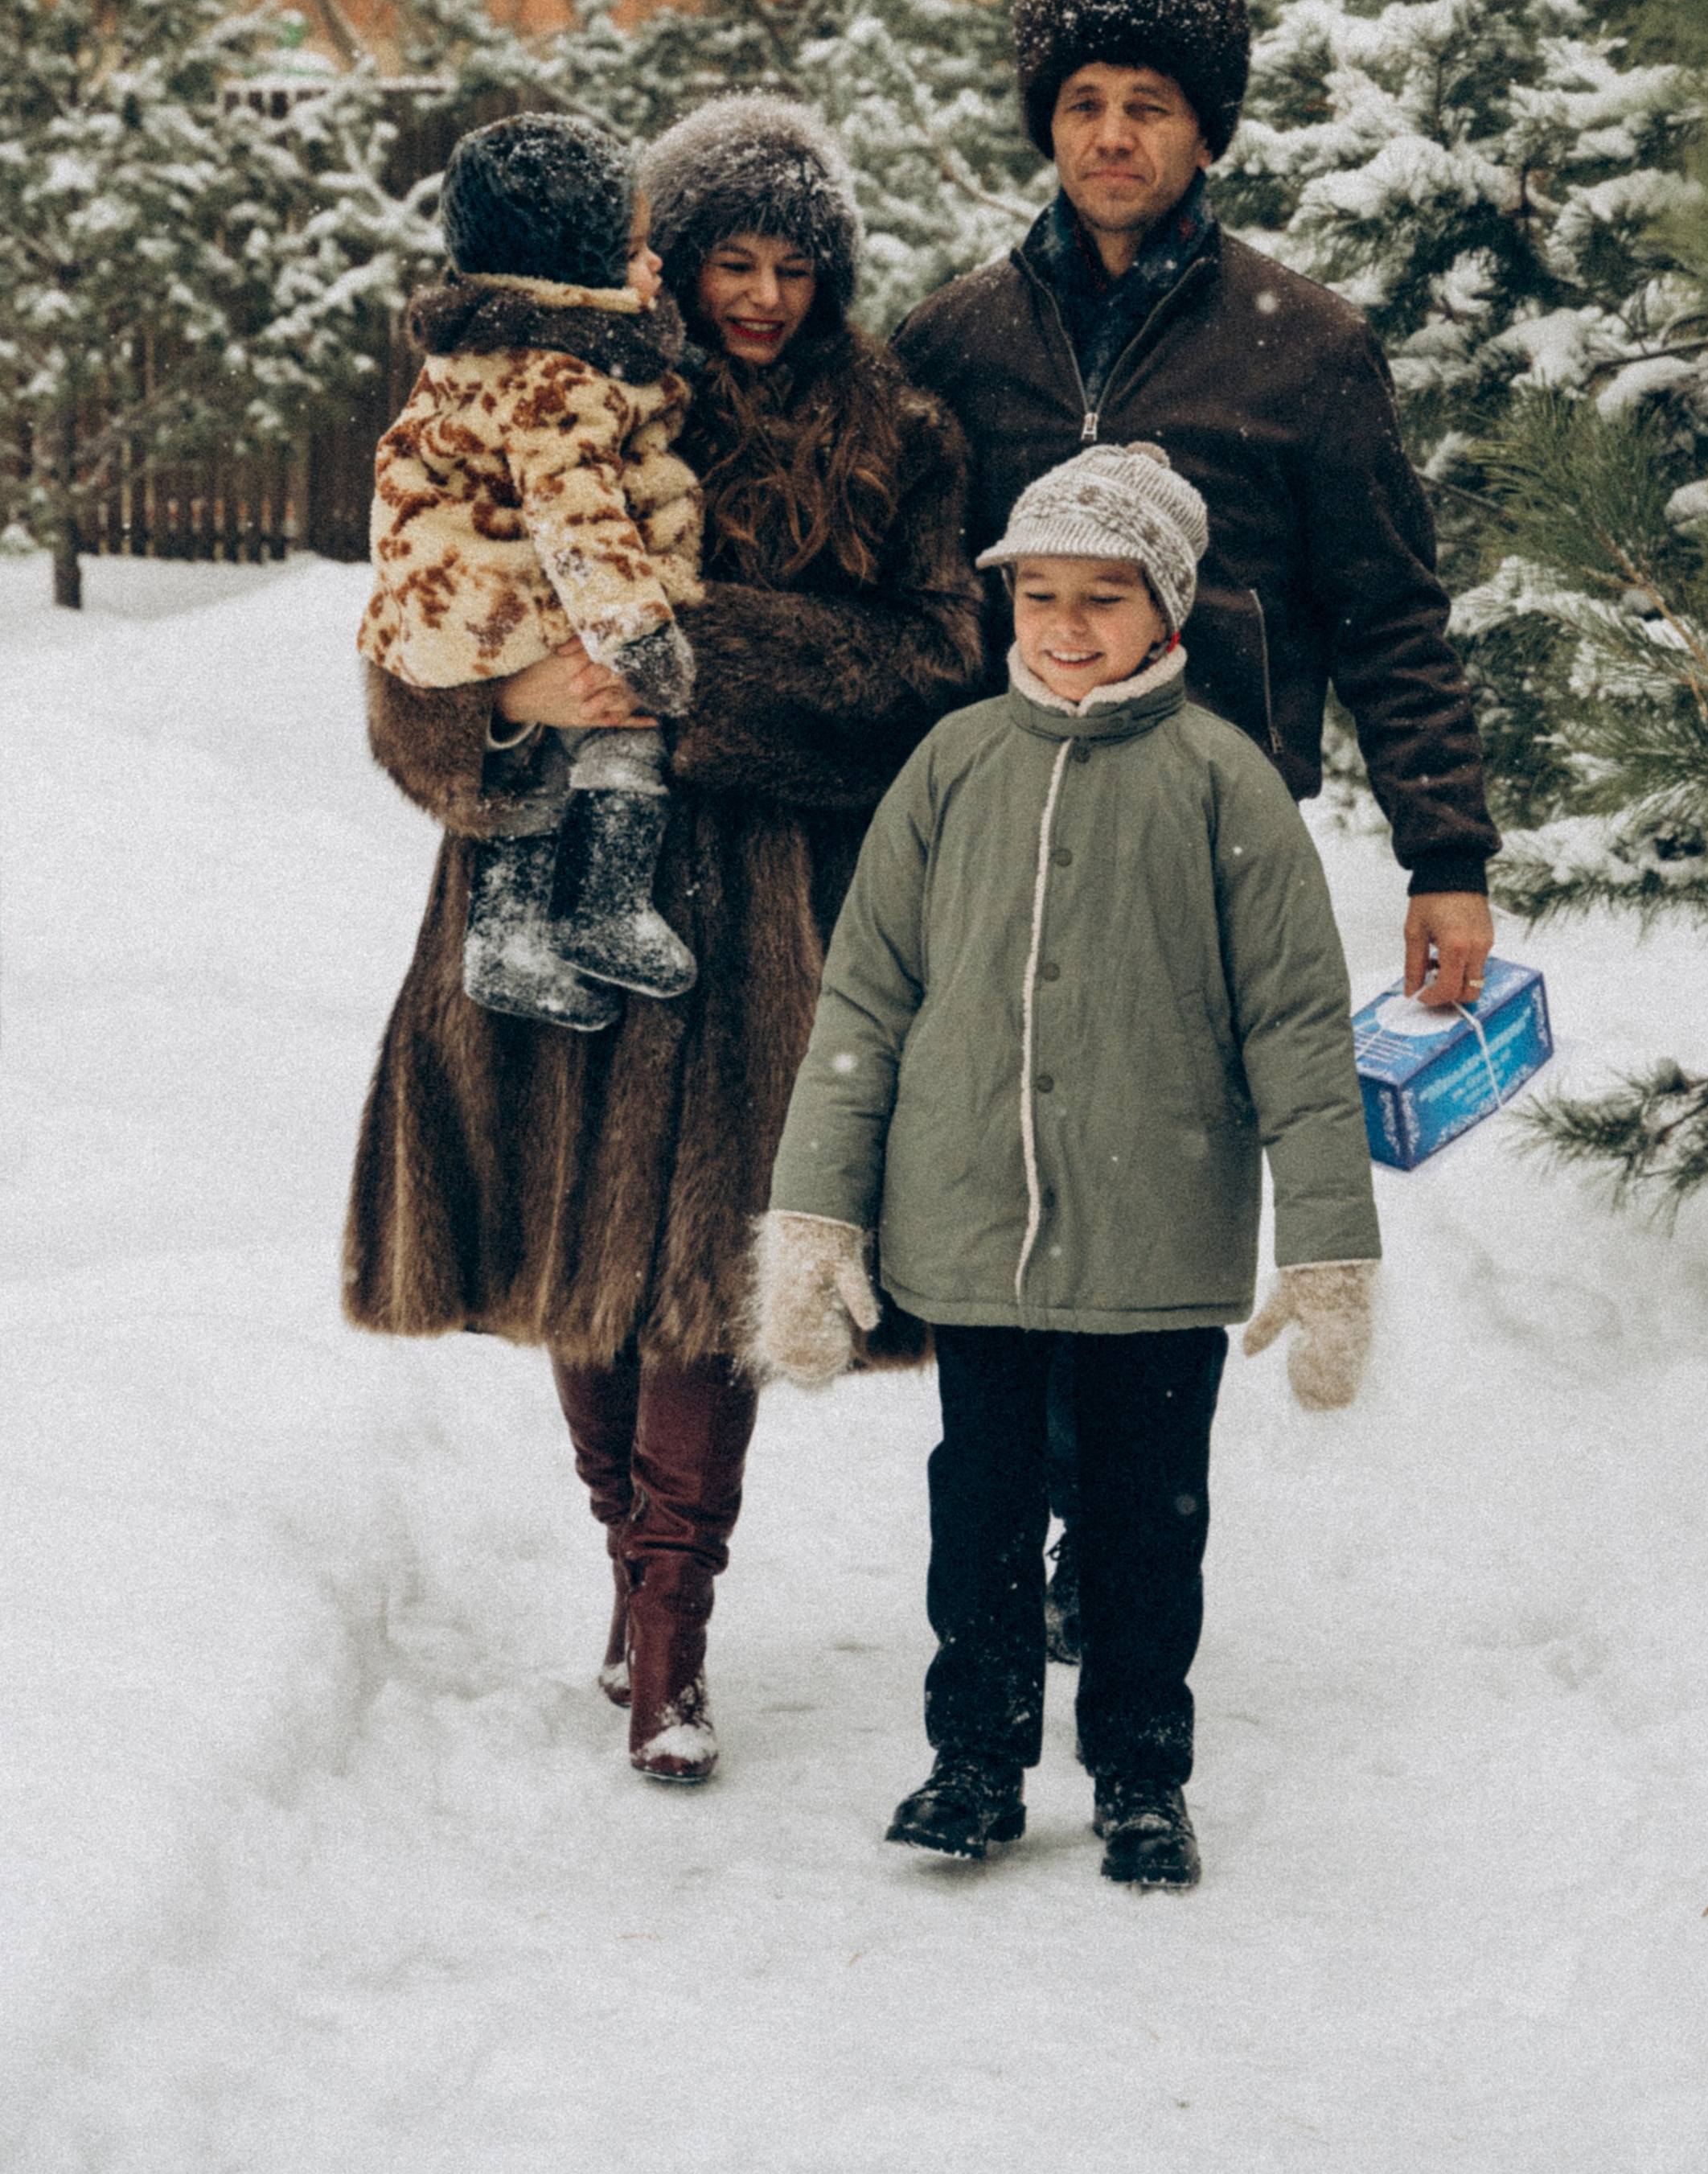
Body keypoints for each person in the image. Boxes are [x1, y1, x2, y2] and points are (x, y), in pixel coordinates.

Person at [346, 94, 983, 1788]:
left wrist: (696, 663)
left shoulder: (894, 432)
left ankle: (672, 1632)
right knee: (567, 1262)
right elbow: (408, 642)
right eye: (731, 261)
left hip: (771, 905)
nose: (762, 297)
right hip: (544, 876)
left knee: (712, 1275)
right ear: (668, 259)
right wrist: (515, 702)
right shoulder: (553, 383)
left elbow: (936, 664)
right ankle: (626, 1563)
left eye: (796, 266)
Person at [892, 0, 1500, 1645]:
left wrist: (1446, 854)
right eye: (1083, 103)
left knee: (1157, 1192)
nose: (1111, 135)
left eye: (1148, 106)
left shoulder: (1302, 350)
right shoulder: (954, 342)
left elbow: (1388, 615)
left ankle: (1119, 1534)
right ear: (1045, 124)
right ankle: (1043, 1509)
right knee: (1010, 1173)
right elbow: (903, 598)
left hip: (1204, 850)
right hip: (999, 839)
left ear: (1206, 132)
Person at [749, 441, 1382, 1892]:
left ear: (1167, 608)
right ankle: (974, 1761)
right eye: (1039, 593)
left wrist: (1328, 1249)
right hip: (972, 1228)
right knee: (979, 1510)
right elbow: (864, 1004)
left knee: (1146, 1526)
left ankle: (1144, 1777)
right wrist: (816, 1214)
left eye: (1105, 594)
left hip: (1159, 1236)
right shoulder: (953, 765)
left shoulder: (1226, 784)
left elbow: (1297, 1029)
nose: (1067, 624)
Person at [359, 113, 704, 1030]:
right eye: (632, 251)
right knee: (624, 722)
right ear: (570, 274)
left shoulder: (471, 355)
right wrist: (640, 634)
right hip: (514, 595)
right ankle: (604, 904)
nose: (656, 265)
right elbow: (576, 513)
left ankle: (506, 935)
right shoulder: (560, 373)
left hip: (450, 606)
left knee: (537, 764)